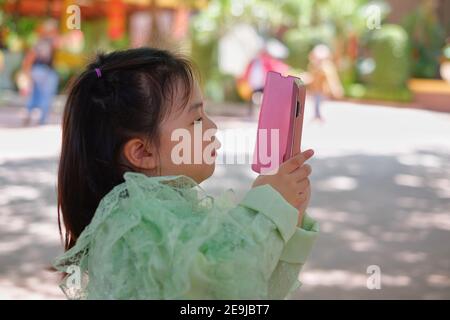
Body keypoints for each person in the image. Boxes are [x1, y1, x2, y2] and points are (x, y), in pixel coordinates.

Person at [53, 47, 319, 299]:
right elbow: (218, 283)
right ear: (143, 152)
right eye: (197, 120)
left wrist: (287, 218)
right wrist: (267, 210)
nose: (213, 127)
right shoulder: (133, 226)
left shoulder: (167, 208)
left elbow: (253, 291)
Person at [21, 19, 60, 125]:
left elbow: (29, 57)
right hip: (45, 71)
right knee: (46, 95)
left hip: (36, 70)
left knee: (35, 94)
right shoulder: (48, 41)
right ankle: (42, 119)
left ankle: (28, 114)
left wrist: (26, 71)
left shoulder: (39, 41)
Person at [307, 44, 344, 123]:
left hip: (322, 90)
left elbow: (331, 79)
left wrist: (335, 89)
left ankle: (318, 116)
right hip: (316, 89)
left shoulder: (326, 66)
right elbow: (312, 77)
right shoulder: (314, 65)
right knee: (316, 103)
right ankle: (317, 116)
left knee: (317, 102)